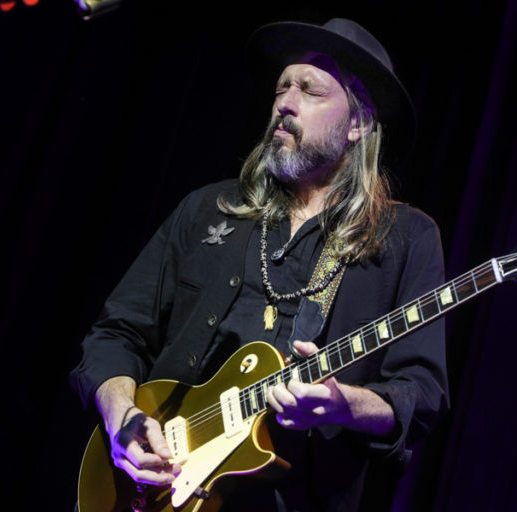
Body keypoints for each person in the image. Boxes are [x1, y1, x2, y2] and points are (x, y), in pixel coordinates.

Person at [70, 18, 449, 512]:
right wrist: (122, 417)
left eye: (309, 90)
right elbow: (116, 334)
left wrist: (345, 404)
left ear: (357, 124)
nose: (285, 103)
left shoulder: (406, 239)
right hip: (157, 486)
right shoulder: (207, 209)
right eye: (281, 88)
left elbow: (421, 394)